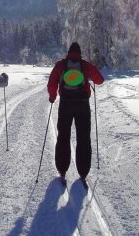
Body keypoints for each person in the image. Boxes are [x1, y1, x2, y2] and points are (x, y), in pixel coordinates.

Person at [47, 42, 104, 182]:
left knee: (63, 136)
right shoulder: (85, 65)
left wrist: (52, 96)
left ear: (68, 52)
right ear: (80, 53)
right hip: (82, 105)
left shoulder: (61, 65)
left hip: (65, 104)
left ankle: (62, 169)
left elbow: (52, 82)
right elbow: (100, 80)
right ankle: (83, 171)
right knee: (83, 137)